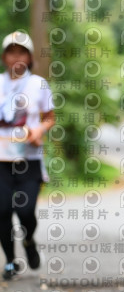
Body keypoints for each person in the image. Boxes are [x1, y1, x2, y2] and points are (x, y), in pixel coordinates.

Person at [0, 31, 54, 280]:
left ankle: (29, 240)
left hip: (29, 160)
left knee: (25, 212)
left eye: (22, 52)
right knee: (2, 211)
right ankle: (11, 262)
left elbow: (49, 117)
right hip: (1, 160)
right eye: (11, 52)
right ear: (4, 57)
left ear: (30, 57)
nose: (16, 57)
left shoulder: (38, 84)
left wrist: (39, 130)